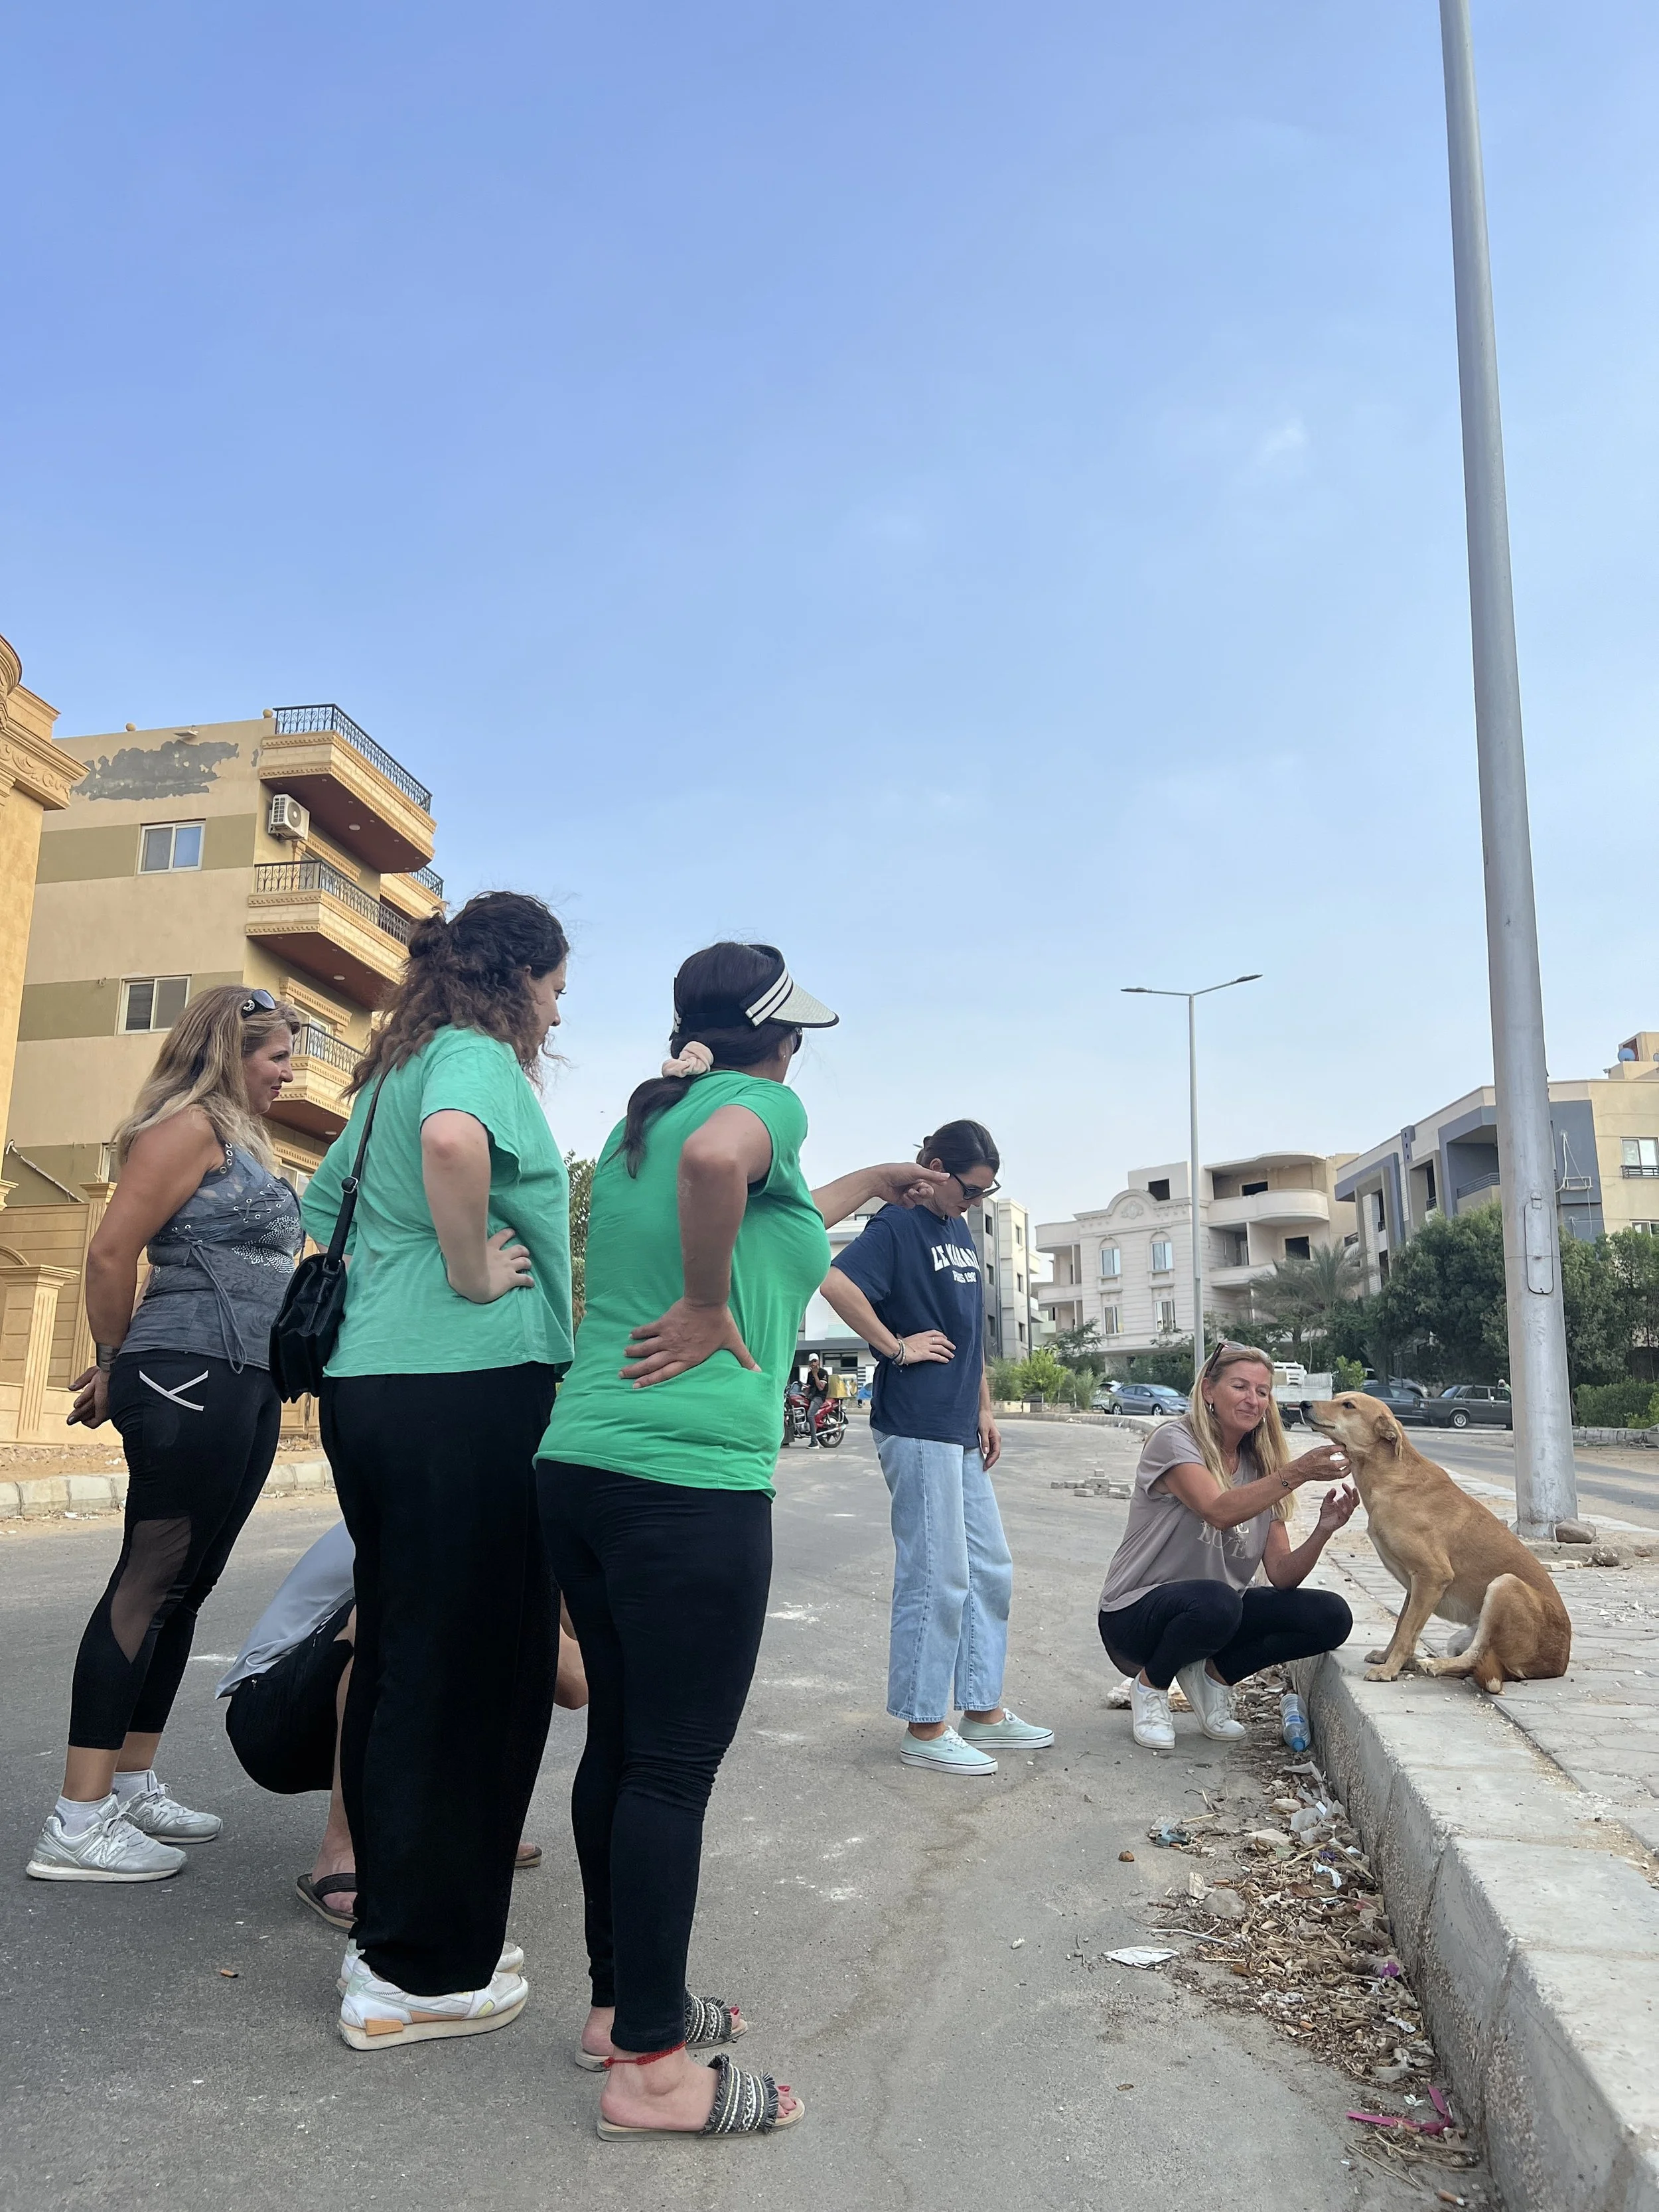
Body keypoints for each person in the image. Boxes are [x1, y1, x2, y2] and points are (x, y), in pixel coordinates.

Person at [537, 940, 948, 2140]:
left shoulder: (640, 1129)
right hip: (687, 1480)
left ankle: (627, 2008)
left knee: (622, 1742)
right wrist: (711, 1306)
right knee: (669, 1766)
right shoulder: (755, 1109)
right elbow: (733, 1164)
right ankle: (652, 2073)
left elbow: (770, 1214)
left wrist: (874, 1177)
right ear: (786, 1040)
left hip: (582, 1463)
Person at [299, 891, 573, 2051]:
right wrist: (469, 1269)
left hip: (371, 1385)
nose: (559, 1015)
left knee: (411, 1651)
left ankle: (404, 1932)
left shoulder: (387, 1075)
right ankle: (422, 1971)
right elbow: (458, 1145)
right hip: (461, 1384)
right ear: (519, 982)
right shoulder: (468, 1060)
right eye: (557, 991)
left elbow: (331, 1219)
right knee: (479, 1666)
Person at [27, 987, 305, 1883]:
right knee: (148, 1579)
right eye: (275, 1056)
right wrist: (113, 1358)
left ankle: (130, 1782)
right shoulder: (187, 1128)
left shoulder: (245, 1140)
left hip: (245, 1377)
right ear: (231, 1053)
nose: (288, 1071)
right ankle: (76, 1818)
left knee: (187, 1587)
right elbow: (110, 1253)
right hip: (186, 1368)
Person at [215, 1520, 587, 1931]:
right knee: (404, 1615)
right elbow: (575, 1678)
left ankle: (463, 1828)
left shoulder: (537, 1524)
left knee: (494, 1628)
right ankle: (340, 1852)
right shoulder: (472, 1513)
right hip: (271, 1717)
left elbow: (569, 1676)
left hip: (354, 1720)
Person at [820, 1120, 1051, 1777]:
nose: (973, 1203)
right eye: (969, 1190)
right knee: (936, 1574)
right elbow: (833, 1281)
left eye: (984, 1194)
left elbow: (964, 1331)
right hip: (915, 1422)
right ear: (934, 1165)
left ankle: (982, 1709)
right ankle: (925, 1725)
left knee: (989, 1568)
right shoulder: (897, 1225)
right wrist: (893, 1347)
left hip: (957, 1424)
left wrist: (984, 1407)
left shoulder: (957, 1229)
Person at [1097, 1340, 1358, 1750]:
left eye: (1262, 1391)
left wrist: (1324, 1528)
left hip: (1214, 1615)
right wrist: (1299, 1472)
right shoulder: (1175, 1441)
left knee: (1330, 1616)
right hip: (1135, 1614)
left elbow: (1283, 1574)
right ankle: (1150, 1688)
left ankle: (1212, 1679)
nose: (1253, 1400)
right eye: (1240, 1387)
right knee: (1218, 1601)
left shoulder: (1262, 1468)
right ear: (1208, 1391)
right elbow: (1218, 1511)